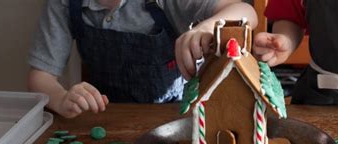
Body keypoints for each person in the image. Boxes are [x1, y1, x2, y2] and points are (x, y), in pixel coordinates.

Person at [27, 0, 257, 118]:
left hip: (176, 118)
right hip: (107, 121)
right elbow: (40, 77)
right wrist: (62, 99)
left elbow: (246, 12)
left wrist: (205, 27)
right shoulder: (65, 4)